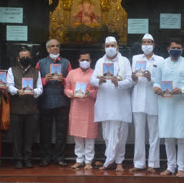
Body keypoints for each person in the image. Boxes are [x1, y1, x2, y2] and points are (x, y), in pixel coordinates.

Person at [153, 38, 184, 177]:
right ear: (168, 49)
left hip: (181, 104)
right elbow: (156, 81)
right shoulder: (161, 64)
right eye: (173, 47)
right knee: (168, 137)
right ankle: (170, 167)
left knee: (181, 137)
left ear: (182, 50)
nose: (176, 50)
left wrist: (183, 90)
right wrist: (157, 88)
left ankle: (181, 168)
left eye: (179, 48)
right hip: (165, 104)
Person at [90, 36, 133, 172]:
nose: (110, 48)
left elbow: (131, 81)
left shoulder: (124, 61)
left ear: (118, 47)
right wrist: (100, 81)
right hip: (104, 103)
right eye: (107, 45)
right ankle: (109, 159)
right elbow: (92, 80)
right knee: (107, 134)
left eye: (113, 45)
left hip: (120, 103)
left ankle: (119, 161)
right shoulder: (99, 62)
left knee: (121, 134)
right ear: (104, 48)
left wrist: (118, 83)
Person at [130, 34, 164, 172]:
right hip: (138, 99)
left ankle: (153, 164)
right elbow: (133, 81)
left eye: (149, 42)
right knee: (138, 133)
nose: (146, 45)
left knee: (154, 133)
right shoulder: (135, 58)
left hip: (153, 100)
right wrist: (134, 78)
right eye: (144, 42)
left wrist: (151, 78)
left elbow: (162, 80)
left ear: (154, 45)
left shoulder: (161, 60)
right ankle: (139, 163)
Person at [36, 39, 72, 167]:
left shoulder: (66, 62)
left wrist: (64, 80)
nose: (55, 48)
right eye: (52, 46)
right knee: (45, 131)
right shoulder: (41, 63)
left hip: (62, 101)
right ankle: (46, 157)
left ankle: (59, 157)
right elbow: (35, 81)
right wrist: (44, 79)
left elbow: (71, 81)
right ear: (47, 49)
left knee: (61, 132)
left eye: (57, 46)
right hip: (45, 101)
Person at [7, 48, 43, 169]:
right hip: (16, 109)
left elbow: (40, 88)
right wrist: (17, 91)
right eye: (22, 57)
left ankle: (27, 159)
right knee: (16, 137)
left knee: (29, 137)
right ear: (18, 59)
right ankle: (18, 160)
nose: (25, 59)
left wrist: (34, 92)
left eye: (27, 56)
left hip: (32, 109)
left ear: (31, 58)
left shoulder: (36, 72)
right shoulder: (11, 70)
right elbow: (9, 86)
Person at [64, 50, 98, 170]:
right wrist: (72, 93)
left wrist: (90, 92)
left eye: (87, 60)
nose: (85, 62)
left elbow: (99, 91)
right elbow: (66, 88)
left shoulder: (95, 74)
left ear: (91, 61)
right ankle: (79, 160)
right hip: (76, 107)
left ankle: (88, 161)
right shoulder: (72, 73)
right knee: (77, 136)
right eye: (82, 60)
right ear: (78, 61)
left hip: (89, 108)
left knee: (89, 136)